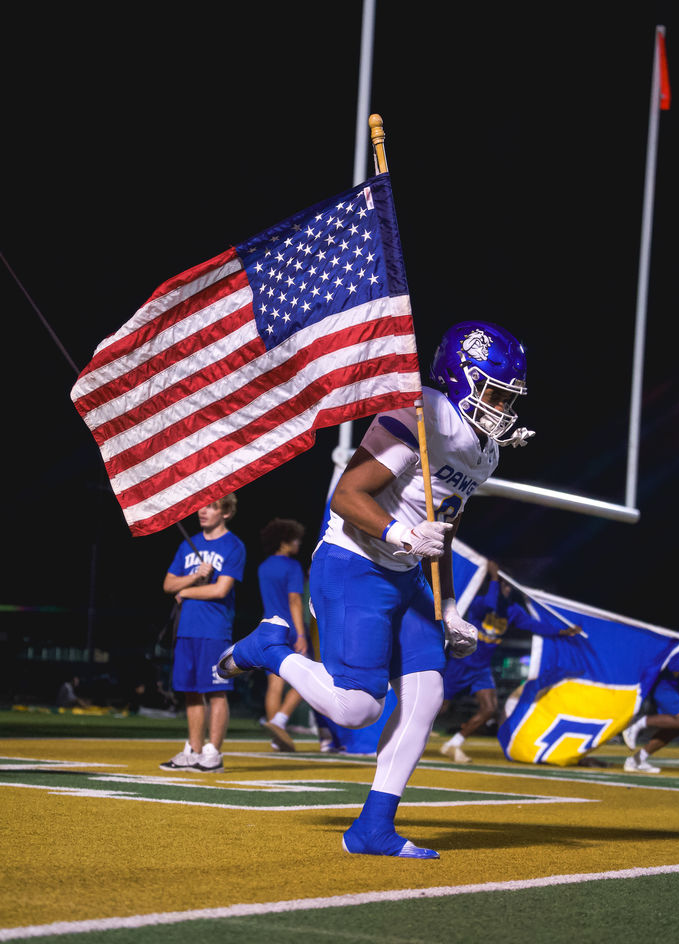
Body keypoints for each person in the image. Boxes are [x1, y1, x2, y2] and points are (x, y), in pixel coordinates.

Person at [216, 321, 534, 858]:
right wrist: (402, 534)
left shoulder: (484, 451)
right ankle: (266, 649)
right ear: (461, 377)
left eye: (508, 396)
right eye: (494, 391)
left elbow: (443, 526)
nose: (502, 407)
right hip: (355, 563)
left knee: (427, 692)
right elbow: (347, 495)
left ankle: (372, 827)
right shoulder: (422, 412)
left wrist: (449, 602)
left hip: (405, 574)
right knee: (356, 709)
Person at [439, 560, 582, 763]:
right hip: (461, 662)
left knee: (489, 709)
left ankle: (454, 743)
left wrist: (562, 631)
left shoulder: (513, 611)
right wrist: (495, 578)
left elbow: (535, 626)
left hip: (481, 669)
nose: (507, 590)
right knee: (439, 707)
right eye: (504, 585)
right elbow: (490, 603)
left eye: (508, 586)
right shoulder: (480, 602)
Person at [159, 494, 246, 772]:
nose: (203, 511)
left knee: (216, 691)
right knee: (191, 692)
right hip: (187, 630)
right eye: (201, 506)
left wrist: (186, 591)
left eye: (211, 506)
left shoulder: (234, 545)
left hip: (214, 630)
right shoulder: (189, 544)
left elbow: (221, 589)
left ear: (226, 512)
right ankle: (194, 751)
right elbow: (168, 584)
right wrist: (195, 577)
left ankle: (213, 754)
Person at [257, 518, 309, 751]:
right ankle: (280, 721)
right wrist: (300, 634)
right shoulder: (292, 566)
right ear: (284, 541)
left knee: (274, 684)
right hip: (290, 628)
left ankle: (277, 738)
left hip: (268, 627)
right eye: (295, 539)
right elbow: (294, 599)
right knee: (306, 680)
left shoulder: (263, 566)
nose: (298, 543)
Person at [622, 646, 679, 773]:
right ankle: (637, 722)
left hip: (676, 686)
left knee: (678, 727)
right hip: (666, 684)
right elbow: (675, 668)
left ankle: (637, 760)